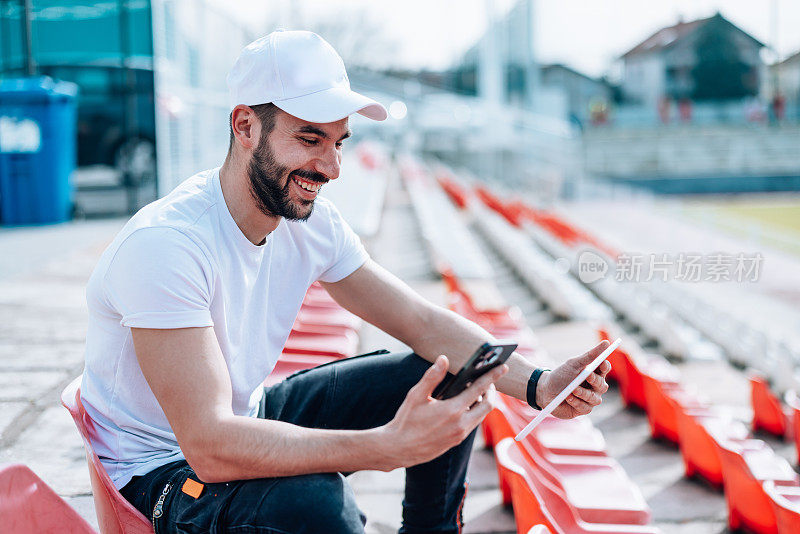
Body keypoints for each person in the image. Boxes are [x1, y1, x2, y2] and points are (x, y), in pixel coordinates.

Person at [80, 30, 611, 534]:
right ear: (245, 127)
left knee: (452, 374)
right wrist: (386, 447)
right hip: (160, 476)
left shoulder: (307, 220)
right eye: (310, 138)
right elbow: (210, 445)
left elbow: (421, 323)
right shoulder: (166, 246)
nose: (331, 167)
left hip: (246, 416)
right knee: (318, 505)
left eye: (339, 142)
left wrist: (539, 384)